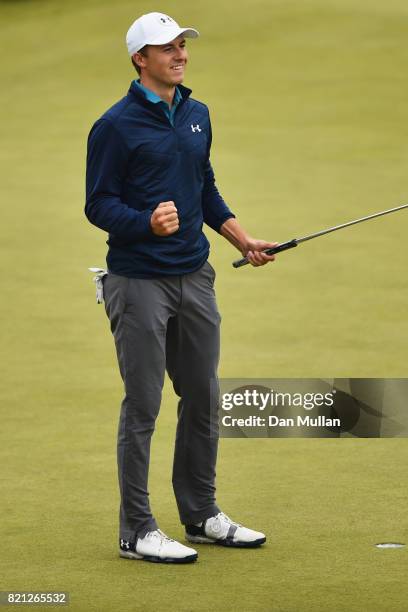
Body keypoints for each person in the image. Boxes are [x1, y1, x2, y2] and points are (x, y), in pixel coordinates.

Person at [85, 11, 276, 564]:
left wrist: (241, 238)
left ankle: (201, 514)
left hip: (196, 274)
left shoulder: (197, 114)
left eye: (182, 45)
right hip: (138, 281)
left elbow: (204, 185)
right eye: (165, 48)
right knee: (143, 405)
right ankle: (137, 530)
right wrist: (146, 222)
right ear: (139, 59)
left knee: (203, 396)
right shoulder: (115, 126)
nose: (180, 54)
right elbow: (97, 204)